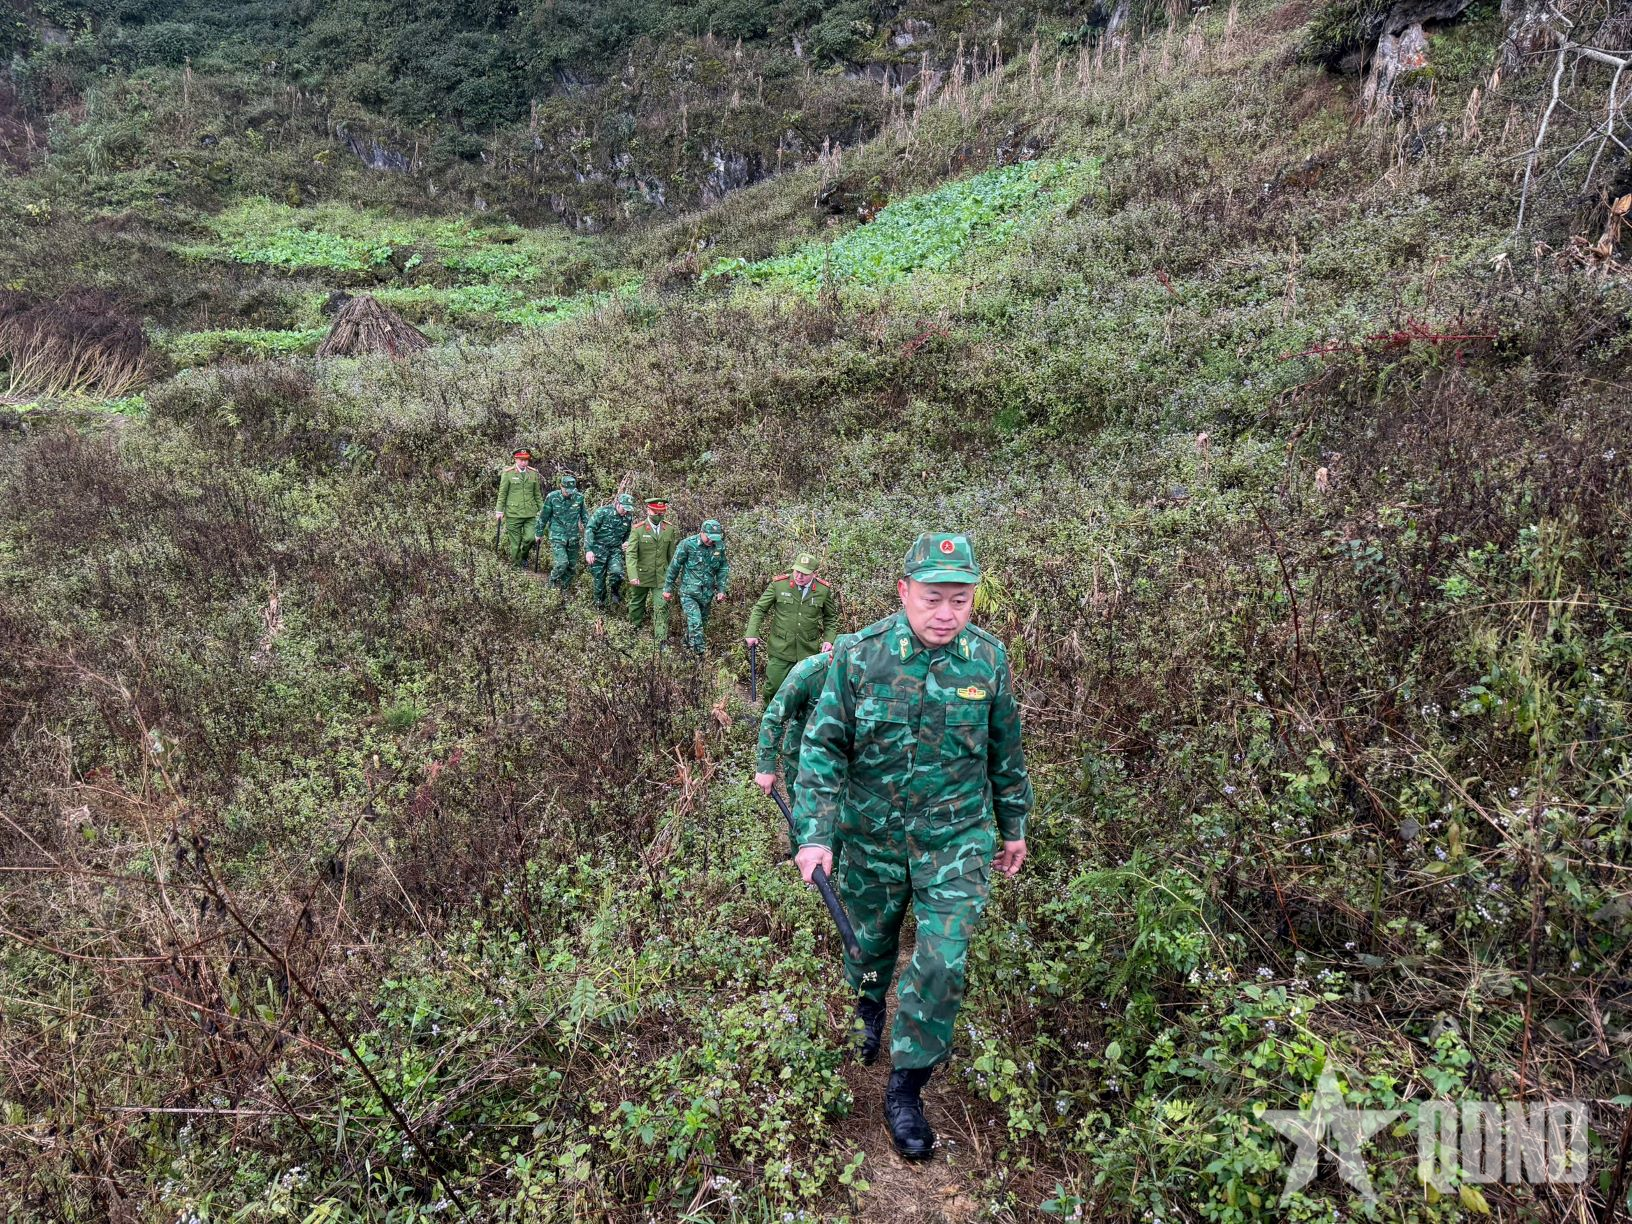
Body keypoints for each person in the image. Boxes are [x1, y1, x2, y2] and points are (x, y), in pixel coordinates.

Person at [791, 533, 1033, 1161]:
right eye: (932, 599)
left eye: (960, 600)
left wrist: (1014, 828)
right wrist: (813, 833)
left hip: (956, 842)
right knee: (868, 943)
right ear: (904, 593)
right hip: (871, 839)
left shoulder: (988, 662)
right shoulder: (859, 657)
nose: (946, 614)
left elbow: (1005, 755)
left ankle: (906, 1085)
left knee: (943, 960)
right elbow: (821, 749)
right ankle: (869, 1005)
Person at [745, 552, 839, 702]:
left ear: (814, 574)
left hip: (808, 650)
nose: (799, 576)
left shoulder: (823, 590)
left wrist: (829, 640)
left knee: (806, 691)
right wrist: (752, 633)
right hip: (781, 647)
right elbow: (759, 609)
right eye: (797, 571)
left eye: (804, 573)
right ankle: (769, 720)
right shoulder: (779, 584)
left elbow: (830, 617)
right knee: (774, 687)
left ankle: (798, 722)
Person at [754, 646, 839, 803]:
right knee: (805, 819)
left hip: (841, 760)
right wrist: (766, 767)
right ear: (832, 660)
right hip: (802, 759)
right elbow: (773, 717)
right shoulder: (807, 672)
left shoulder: (865, 671)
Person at [663, 519, 730, 655]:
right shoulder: (688, 544)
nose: (711, 541)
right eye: (709, 537)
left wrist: (721, 589)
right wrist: (667, 588)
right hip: (689, 593)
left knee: (699, 625)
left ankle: (685, 648)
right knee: (696, 624)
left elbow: (723, 567)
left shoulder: (719, 546)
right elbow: (674, 567)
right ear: (702, 532)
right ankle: (698, 658)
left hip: (707, 594)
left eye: (714, 538)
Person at [623, 497, 680, 640]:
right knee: (636, 604)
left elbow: (671, 555)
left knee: (662, 607)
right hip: (641, 575)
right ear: (648, 511)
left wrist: (672, 576)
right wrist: (633, 575)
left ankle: (661, 640)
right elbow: (631, 554)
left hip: (661, 576)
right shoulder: (638, 529)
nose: (659, 516)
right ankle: (633, 631)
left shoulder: (669, 529)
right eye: (656, 513)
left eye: (662, 513)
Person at [535, 474, 588, 593]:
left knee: (572, 567)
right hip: (557, 535)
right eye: (566, 490)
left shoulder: (579, 498)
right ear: (561, 487)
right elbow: (544, 516)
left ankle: (565, 589)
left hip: (573, 537)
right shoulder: (552, 497)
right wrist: (539, 533)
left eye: (571, 491)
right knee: (562, 563)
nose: (569, 493)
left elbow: (585, 517)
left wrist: (590, 533)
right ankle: (552, 581)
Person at [584, 493, 636, 609]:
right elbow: (589, 530)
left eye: (628, 510)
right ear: (617, 504)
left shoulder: (628, 517)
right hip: (598, 551)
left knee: (618, 572)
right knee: (599, 582)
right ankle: (600, 605)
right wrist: (589, 550)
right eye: (624, 509)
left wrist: (627, 542)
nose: (625, 512)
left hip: (615, 551)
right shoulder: (602, 512)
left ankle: (615, 591)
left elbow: (628, 534)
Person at [492, 449, 542, 567]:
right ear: (515, 459)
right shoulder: (508, 473)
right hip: (513, 513)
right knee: (515, 543)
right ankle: (517, 566)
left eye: (526, 460)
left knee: (530, 538)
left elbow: (537, 495)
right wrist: (499, 511)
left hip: (530, 514)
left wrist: (544, 511)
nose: (524, 463)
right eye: (521, 460)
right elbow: (502, 493)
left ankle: (524, 556)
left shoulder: (533, 473)